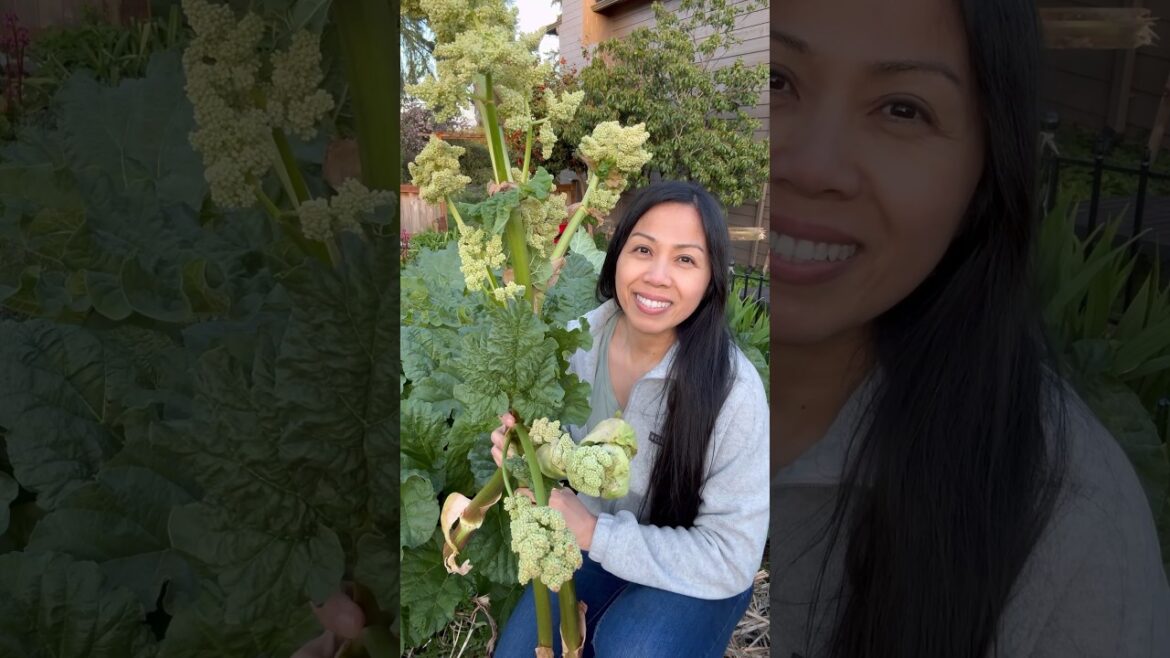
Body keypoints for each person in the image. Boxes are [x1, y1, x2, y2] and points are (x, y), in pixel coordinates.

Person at [770, 1, 1170, 657]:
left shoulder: (1067, 527)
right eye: (773, 80)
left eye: (903, 108)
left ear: (983, 178)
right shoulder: (586, 386)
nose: (813, 167)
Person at [490, 180, 769, 657]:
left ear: (710, 280)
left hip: (691, 565)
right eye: (643, 249)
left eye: (685, 259)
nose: (657, 276)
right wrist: (521, 451)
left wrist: (595, 533)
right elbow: (542, 448)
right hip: (591, 546)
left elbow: (731, 555)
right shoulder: (572, 346)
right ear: (617, 255)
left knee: (633, 648)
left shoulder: (734, 392)